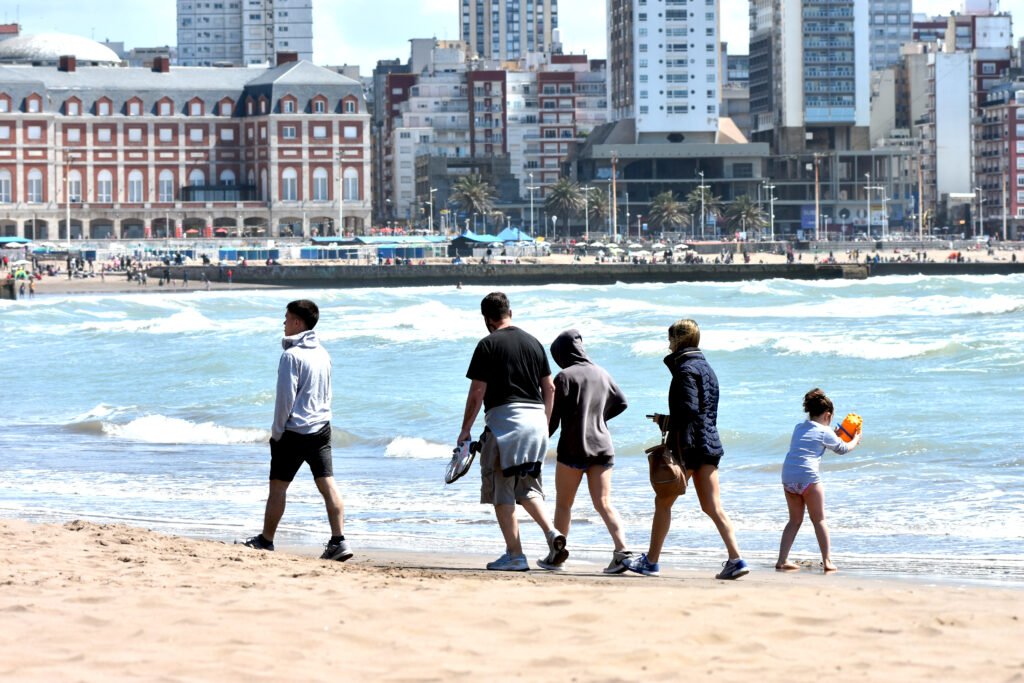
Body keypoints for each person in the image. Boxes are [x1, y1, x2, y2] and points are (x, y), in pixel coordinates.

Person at [623, 319, 750, 580]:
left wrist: (666, 421)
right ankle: (736, 559)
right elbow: (704, 411)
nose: (668, 344)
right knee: (713, 507)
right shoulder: (707, 368)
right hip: (710, 443)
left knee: (663, 501)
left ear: (678, 340)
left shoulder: (685, 369)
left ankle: (651, 561)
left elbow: (689, 410)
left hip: (690, 445)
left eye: (670, 339)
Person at [458, 292, 564, 571]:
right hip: (536, 424)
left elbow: (477, 393)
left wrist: (465, 430)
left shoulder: (487, 344)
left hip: (505, 424)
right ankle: (552, 533)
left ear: (487, 319)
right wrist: (545, 423)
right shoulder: (534, 343)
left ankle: (515, 555)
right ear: (510, 313)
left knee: (501, 490)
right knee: (527, 487)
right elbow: (549, 388)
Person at [240, 300, 352, 562]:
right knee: (327, 483)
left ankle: (266, 540)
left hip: (294, 432)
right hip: (321, 428)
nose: (284, 323)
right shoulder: (323, 353)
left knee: (278, 487)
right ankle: (339, 541)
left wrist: (277, 433)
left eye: (287, 318)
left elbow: (284, 401)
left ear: (298, 323)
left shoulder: (291, 356)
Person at [546, 329, 631, 573]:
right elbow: (622, 402)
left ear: (562, 354)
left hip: (574, 448)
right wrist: (600, 418)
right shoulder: (603, 373)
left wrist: (541, 439)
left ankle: (557, 554)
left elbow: (553, 418)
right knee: (604, 503)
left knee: (564, 505)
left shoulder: (564, 376)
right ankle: (622, 551)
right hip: (603, 447)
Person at [776, 388, 861, 573]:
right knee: (819, 520)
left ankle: (782, 560)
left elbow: (814, 440)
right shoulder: (825, 431)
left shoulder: (799, 427)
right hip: (808, 477)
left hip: (788, 476)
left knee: (794, 520)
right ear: (828, 415)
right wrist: (855, 439)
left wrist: (834, 434)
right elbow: (842, 449)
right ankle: (828, 562)